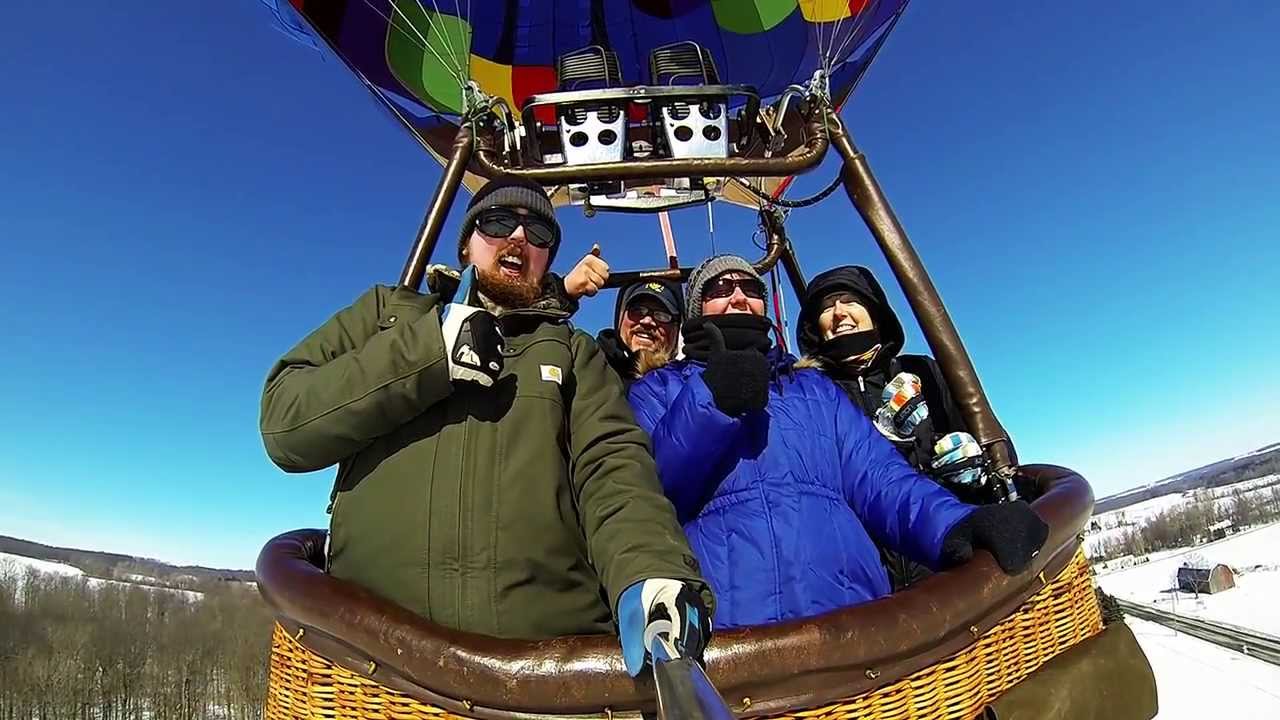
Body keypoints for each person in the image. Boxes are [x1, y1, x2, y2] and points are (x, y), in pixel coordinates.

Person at [259, 176, 711, 676]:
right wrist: (429, 352)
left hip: (540, 673)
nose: (519, 239)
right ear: (466, 242)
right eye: (499, 224)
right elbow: (286, 426)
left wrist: (648, 571)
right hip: (373, 659)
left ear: (546, 260)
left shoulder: (571, 352)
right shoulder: (387, 316)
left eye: (539, 233)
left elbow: (614, 469)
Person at [627, 254, 1048, 629]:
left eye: (751, 287)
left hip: (851, 625)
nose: (739, 297)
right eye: (721, 288)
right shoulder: (658, 391)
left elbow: (880, 479)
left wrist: (956, 524)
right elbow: (648, 495)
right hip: (734, 636)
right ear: (697, 309)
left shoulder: (812, 389)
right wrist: (710, 403)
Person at [796, 266, 996, 502]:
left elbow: (994, 444)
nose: (839, 312)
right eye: (827, 306)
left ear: (874, 315)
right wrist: (885, 443)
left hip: (951, 514)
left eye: (850, 301)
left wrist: (976, 465)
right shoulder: (812, 392)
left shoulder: (923, 370)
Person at [595, 278, 684, 386]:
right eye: (638, 311)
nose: (647, 321)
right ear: (620, 317)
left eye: (662, 316)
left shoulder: (686, 382)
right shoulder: (589, 362)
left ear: (676, 330)